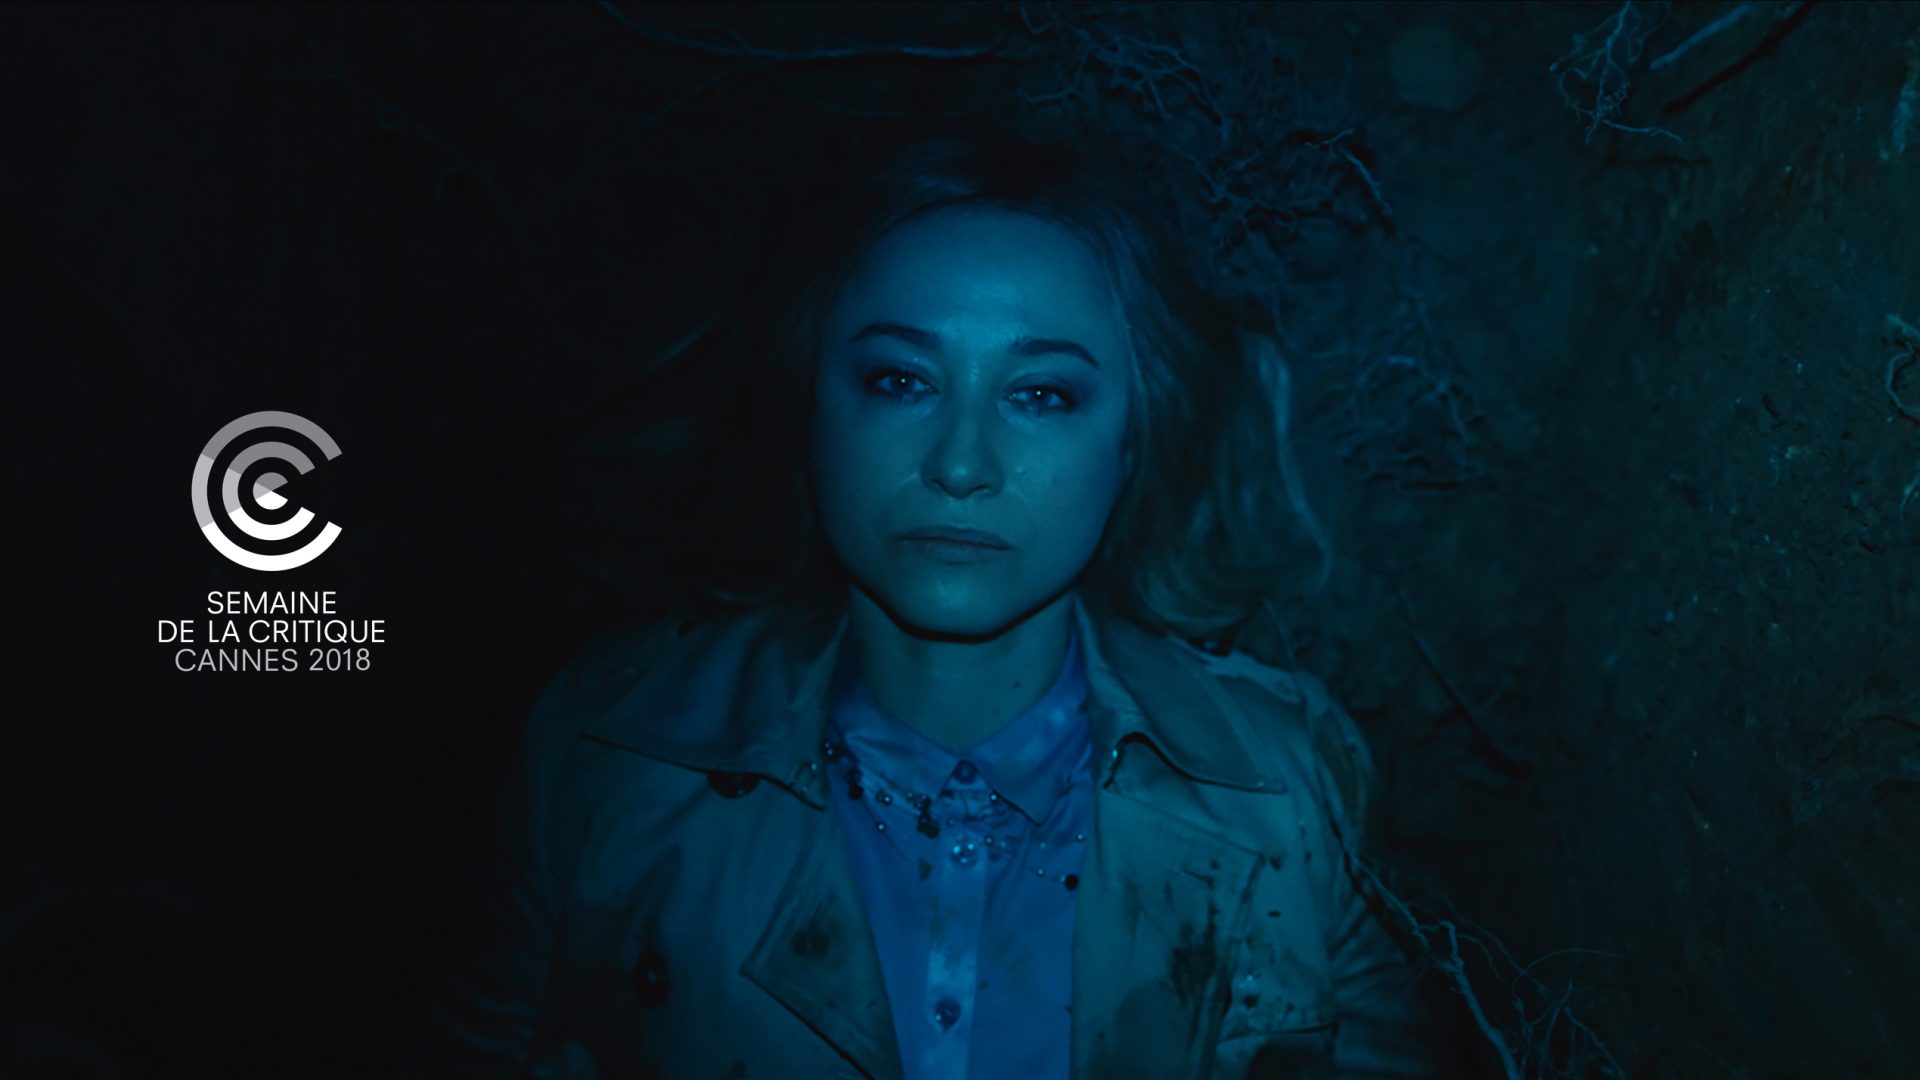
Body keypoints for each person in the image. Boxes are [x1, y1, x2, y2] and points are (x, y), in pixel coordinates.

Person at [421, 132, 1442, 1078]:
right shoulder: (610, 753)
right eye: (900, 380)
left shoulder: (1288, 780)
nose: (960, 464)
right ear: (810, 406)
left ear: (1134, 439)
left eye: (1041, 394)